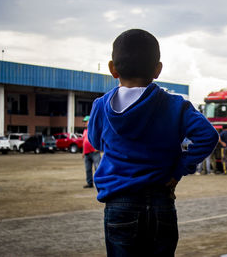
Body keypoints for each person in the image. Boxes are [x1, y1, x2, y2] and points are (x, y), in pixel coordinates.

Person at [87, 29, 219, 256]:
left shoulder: (100, 105)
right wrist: (179, 169)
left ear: (112, 69)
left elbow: (96, 140)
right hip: (161, 202)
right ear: (158, 69)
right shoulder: (175, 105)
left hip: (120, 204)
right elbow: (208, 136)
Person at [82, 115, 101, 188]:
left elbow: (100, 138)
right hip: (87, 153)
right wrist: (83, 152)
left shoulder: (95, 129)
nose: (84, 123)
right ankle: (89, 183)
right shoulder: (85, 131)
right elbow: (84, 142)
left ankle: (99, 184)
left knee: (97, 168)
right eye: (84, 122)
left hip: (94, 152)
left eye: (85, 121)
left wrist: (98, 147)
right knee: (88, 169)